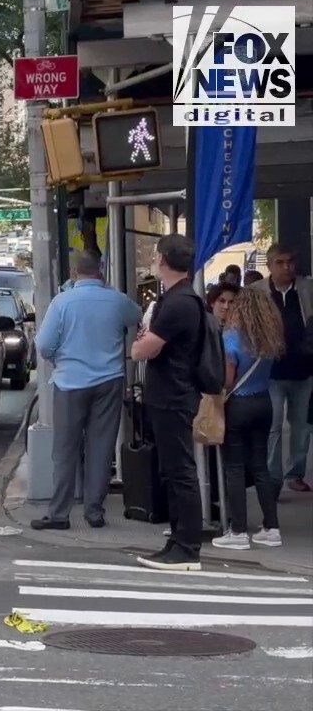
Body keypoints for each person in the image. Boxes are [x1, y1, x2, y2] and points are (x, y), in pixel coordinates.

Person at [31, 251, 142, 530]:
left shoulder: (62, 302)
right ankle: (94, 512)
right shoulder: (116, 300)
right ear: (101, 271)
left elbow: (44, 345)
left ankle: (59, 514)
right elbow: (138, 316)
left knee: (65, 450)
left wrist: (58, 358)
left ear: (73, 272)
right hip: (109, 381)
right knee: (101, 448)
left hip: (69, 382)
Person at [132, 234, 207, 572]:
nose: (153, 260)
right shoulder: (178, 298)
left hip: (174, 395)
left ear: (163, 260)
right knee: (172, 470)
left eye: (155, 255)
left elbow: (143, 349)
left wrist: (139, 345)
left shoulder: (179, 302)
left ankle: (187, 547)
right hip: (169, 394)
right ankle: (178, 540)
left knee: (180, 472)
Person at [213, 287, 285, 550]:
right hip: (264, 402)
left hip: (239, 404)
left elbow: (229, 379)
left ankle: (239, 531)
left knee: (234, 468)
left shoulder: (231, 337)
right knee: (260, 466)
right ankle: (271, 527)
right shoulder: (268, 338)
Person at [248, 243, 313, 493]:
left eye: (290, 262)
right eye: (281, 262)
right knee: (273, 426)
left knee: (301, 427)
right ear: (269, 266)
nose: (287, 267)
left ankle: (294, 474)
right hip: (270, 372)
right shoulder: (257, 292)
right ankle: (272, 479)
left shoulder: (307, 288)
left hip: (304, 369)